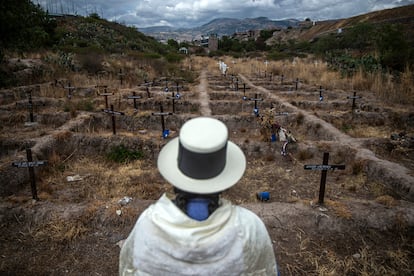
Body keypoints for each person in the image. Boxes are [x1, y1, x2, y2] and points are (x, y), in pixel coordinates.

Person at [119, 117, 279, 275]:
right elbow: (267, 270)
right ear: (222, 178)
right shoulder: (249, 228)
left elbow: (128, 269)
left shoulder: (148, 224)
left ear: (177, 176)